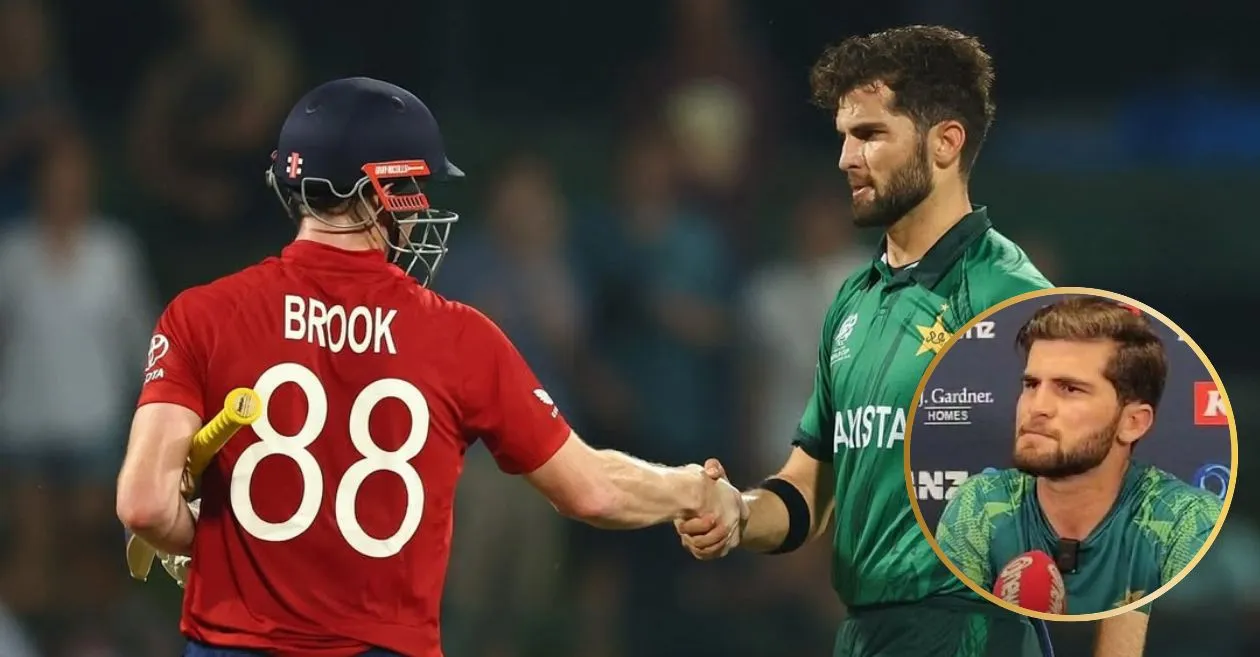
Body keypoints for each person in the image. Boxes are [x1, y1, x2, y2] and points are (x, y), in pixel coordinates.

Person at [114, 77, 745, 657]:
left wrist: (194, 532)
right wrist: (692, 489)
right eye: (415, 187)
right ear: (377, 191)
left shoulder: (201, 315)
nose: (419, 207)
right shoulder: (458, 335)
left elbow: (143, 507)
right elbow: (592, 488)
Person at [675, 25, 1067, 657]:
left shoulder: (1011, 297)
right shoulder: (852, 302)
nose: (846, 159)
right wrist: (739, 513)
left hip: (974, 634)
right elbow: (810, 487)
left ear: (945, 143)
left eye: (870, 134)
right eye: (843, 138)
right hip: (862, 633)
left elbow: (1122, 499)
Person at [936, 296, 1222, 615]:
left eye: (1069, 389)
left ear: (1132, 423)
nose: (1037, 407)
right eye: (1031, 385)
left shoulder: (1187, 521)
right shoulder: (980, 505)